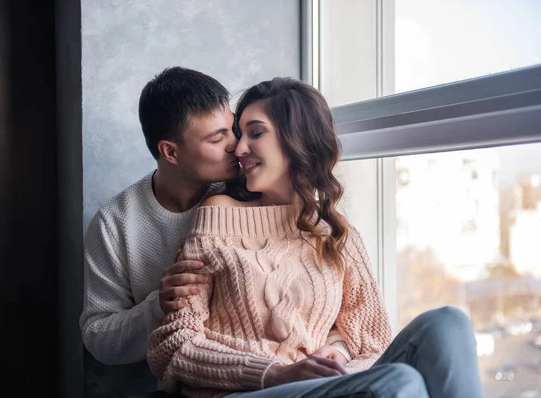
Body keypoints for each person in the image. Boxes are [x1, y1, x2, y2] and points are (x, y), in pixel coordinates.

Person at [147, 78, 484, 398]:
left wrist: (337, 352)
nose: (240, 148)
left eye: (255, 133)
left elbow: (371, 341)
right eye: (239, 134)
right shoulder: (218, 215)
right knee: (399, 382)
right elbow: (174, 346)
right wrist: (274, 372)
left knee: (448, 322)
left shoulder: (337, 234)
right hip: (243, 390)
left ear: (296, 140)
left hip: (323, 388)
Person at [80, 66, 242, 395]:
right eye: (217, 138)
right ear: (170, 151)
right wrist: (159, 305)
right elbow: (98, 337)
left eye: (233, 129)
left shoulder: (248, 194)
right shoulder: (114, 222)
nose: (235, 145)